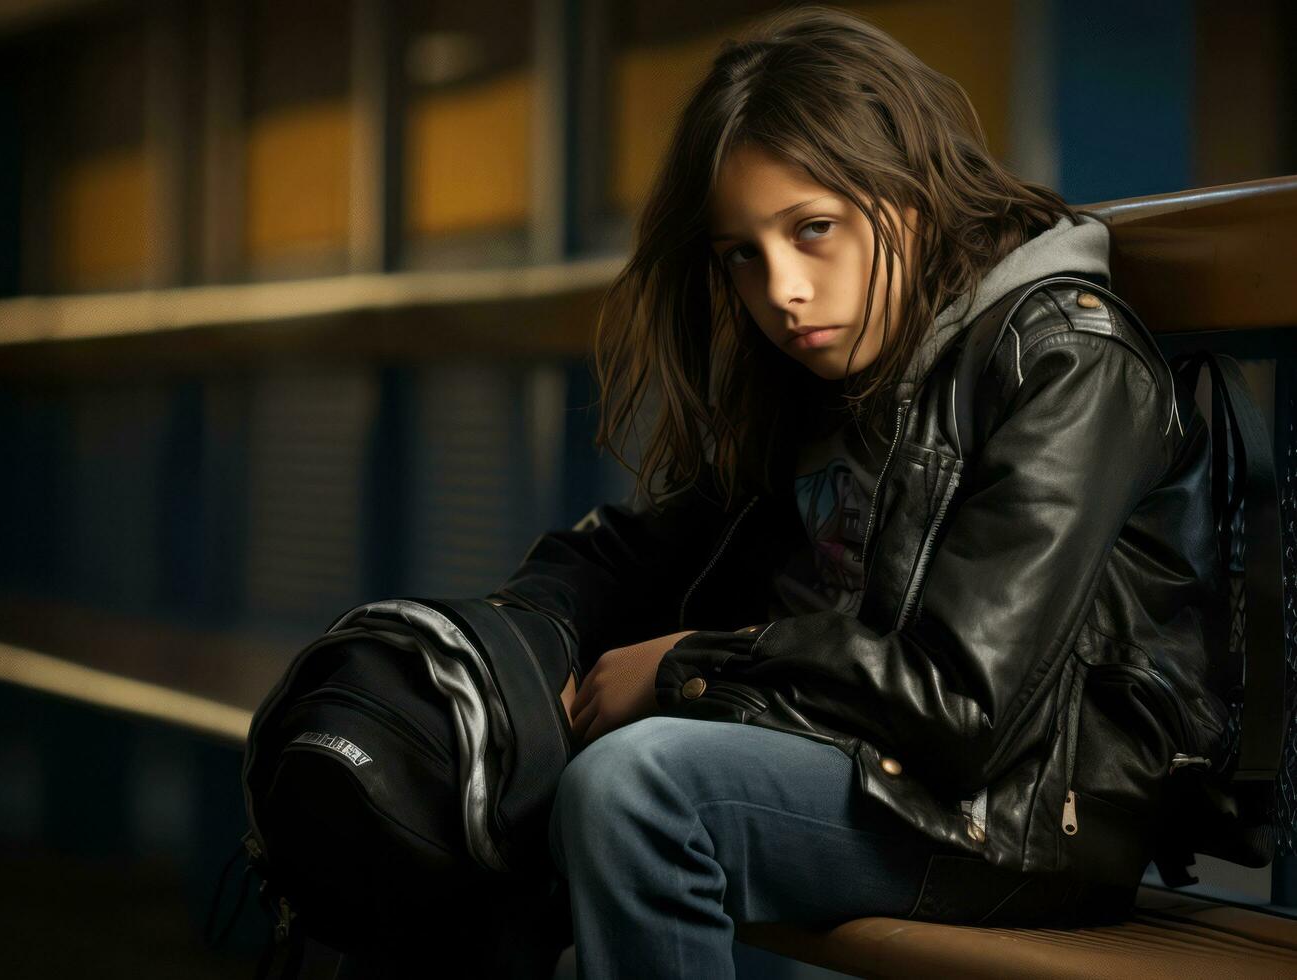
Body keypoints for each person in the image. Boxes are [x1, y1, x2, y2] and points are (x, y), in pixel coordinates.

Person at [492, 6, 1228, 978]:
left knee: (635, 790)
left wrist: (688, 663)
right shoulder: (838, 364)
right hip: (868, 768)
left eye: (812, 229)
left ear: (909, 192)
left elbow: (963, 704)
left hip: (1012, 815)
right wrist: (490, 644)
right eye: (741, 255)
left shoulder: (1065, 360)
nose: (782, 289)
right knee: (481, 768)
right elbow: (646, 547)